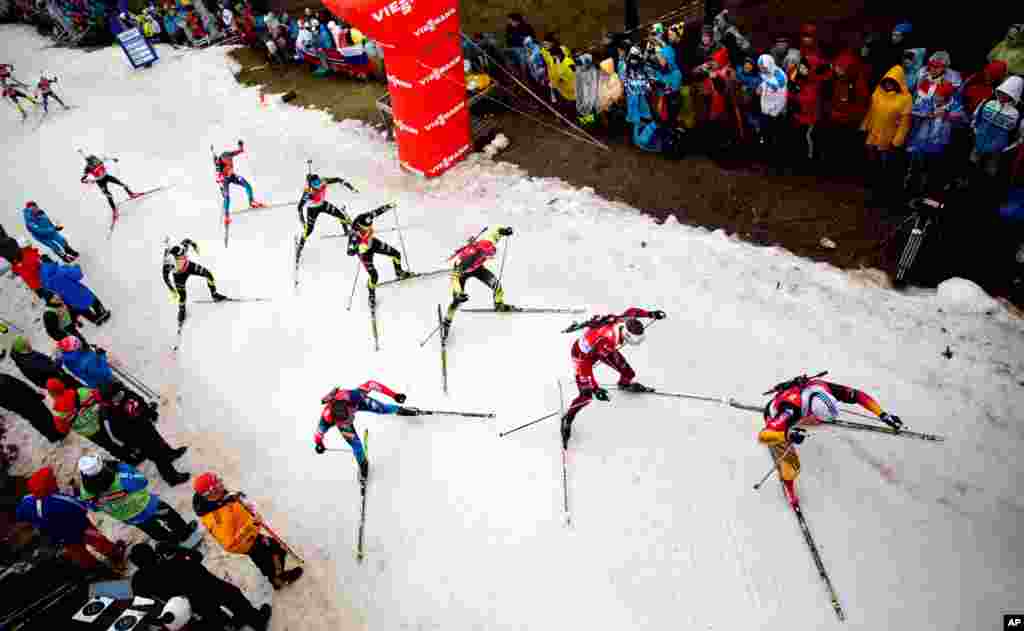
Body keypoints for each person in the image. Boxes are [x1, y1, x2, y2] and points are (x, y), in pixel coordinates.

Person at [758, 375, 902, 507]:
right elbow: (763, 436)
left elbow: (858, 396)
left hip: (801, 407)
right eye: (818, 418)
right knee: (792, 466)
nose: (819, 422)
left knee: (812, 421)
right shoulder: (790, 411)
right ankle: (788, 486)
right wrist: (788, 435)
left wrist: (883, 414)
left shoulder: (823, 387)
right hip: (778, 421)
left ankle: (806, 421)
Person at [560, 308, 666, 448]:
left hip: (600, 348)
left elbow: (632, 311)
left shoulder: (623, 321)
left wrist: (650, 314)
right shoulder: (606, 342)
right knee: (587, 396)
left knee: (628, 372)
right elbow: (587, 370)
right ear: (628, 336)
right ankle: (568, 417)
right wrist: (596, 389)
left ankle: (624, 383)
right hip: (582, 357)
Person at [192, 472, 304, 590]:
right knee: (274, 552)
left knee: (269, 553)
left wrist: (242, 502)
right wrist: (251, 524)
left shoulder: (217, 497)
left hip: (251, 534)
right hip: (247, 542)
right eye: (217, 483)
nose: (221, 482)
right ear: (211, 491)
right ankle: (278, 579)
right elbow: (229, 544)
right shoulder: (217, 519)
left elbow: (230, 504)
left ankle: (272, 571)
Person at [130, 541, 272, 630]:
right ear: (154, 554)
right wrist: (175, 548)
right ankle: (257, 621)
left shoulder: (139, 580)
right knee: (235, 599)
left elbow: (141, 605)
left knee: (213, 616)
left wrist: (164, 614)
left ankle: (230, 623)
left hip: (191, 603)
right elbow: (197, 556)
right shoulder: (174, 560)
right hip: (210, 586)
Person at [16, 466, 127, 570]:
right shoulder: (58, 501)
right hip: (80, 528)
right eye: (52, 478)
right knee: (98, 540)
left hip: (60, 537)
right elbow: (81, 507)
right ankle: (115, 556)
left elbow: (20, 515)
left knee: (80, 555)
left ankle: (96, 569)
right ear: (48, 484)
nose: (55, 479)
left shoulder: (26, 500)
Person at [76, 454, 197, 543]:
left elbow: (94, 508)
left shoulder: (85, 492)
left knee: (154, 531)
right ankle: (184, 533)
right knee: (169, 515)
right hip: (147, 506)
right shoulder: (121, 478)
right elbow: (142, 481)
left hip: (130, 516)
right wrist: (121, 466)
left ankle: (171, 542)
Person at [313, 381, 416, 480]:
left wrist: (394, 395)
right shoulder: (327, 417)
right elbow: (318, 434)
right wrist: (319, 444)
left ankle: (400, 410)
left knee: (382, 408)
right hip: (345, 415)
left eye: (349, 418)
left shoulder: (353, 396)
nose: (350, 420)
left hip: (357, 403)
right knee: (356, 446)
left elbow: (371, 384)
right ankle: (363, 464)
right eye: (346, 421)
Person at [442, 226, 515, 338]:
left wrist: (503, 231)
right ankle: (447, 321)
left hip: (478, 268)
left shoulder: (486, 243)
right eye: (487, 255)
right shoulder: (465, 259)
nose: (489, 256)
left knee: (496, 285)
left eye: (490, 254)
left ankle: (499, 304)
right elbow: (454, 277)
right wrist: (458, 293)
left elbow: (495, 234)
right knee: (456, 301)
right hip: (462, 273)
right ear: (481, 252)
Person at [861, 65, 912, 208]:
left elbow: (905, 123)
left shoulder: (905, 98)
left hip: (889, 140)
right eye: (887, 81)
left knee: (887, 171)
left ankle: (887, 198)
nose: (889, 84)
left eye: (892, 82)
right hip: (873, 137)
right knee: (874, 169)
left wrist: (897, 142)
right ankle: (874, 196)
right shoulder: (877, 93)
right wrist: (864, 128)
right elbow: (871, 113)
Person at [906, 81, 962, 195]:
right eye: (936, 94)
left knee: (931, 170)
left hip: (938, 144)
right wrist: (928, 114)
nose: (936, 97)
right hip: (921, 141)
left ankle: (925, 193)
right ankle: (911, 191)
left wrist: (947, 115)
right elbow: (914, 110)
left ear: (947, 97)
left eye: (939, 96)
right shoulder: (928, 100)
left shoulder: (954, 105)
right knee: (916, 167)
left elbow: (962, 119)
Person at [346, 202, 412, 296]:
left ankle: (399, 272)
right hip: (364, 253)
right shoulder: (353, 235)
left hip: (372, 243)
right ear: (359, 226)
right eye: (365, 229)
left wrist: (388, 206)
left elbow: (377, 211)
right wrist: (357, 248)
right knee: (374, 276)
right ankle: (371, 294)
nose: (367, 229)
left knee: (396, 254)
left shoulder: (367, 217)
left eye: (369, 227)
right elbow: (349, 252)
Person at [970, 76, 1022, 189]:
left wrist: (1006, 148)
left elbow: (1020, 135)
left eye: (1007, 93)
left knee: (989, 174)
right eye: (1001, 92)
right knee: (971, 167)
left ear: (1014, 95)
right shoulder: (988, 102)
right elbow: (975, 117)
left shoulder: (1017, 114)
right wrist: (976, 132)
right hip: (978, 144)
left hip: (997, 151)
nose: (1002, 95)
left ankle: (984, 193)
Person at [163, 238, 227, 326]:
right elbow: (165, 277)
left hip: (188, 266)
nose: (184, 256)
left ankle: (214, 294)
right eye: (181, 257)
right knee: (182, 296)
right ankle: (182, 310)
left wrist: (195, 246)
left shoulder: (182, 248)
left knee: (208, 274)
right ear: (175, 258)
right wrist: (172, 290)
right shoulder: (168, 263)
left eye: (184, 254)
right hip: (178, 276)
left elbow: (187, 241)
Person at [296, 173, 357, 259]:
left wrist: (351, 188)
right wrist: (303, 222)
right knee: (309, 230)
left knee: (341, 216)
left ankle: (346, 231)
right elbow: (299, 207)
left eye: (318, 182)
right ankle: (300, 247)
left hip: (323, 204)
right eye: (314, 184)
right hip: (312, 209)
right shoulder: (308, 192)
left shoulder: (323, 181)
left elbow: (338, 179)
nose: (317, 185)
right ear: (310, 184)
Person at [39, 258, 110, 325]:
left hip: (69, 299)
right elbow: (79, 275)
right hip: (80, 292)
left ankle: (95, 320)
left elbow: (51, 292)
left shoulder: (46, 283)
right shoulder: (61, 271)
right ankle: (103, 314)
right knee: (94, 301)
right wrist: (76, 267)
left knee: (81, 309)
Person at [0, 373, 65, 443]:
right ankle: (59, 432)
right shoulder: (3, 378)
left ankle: (52, 436)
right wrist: (35, 394)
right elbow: (22, 385)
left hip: (19, 407)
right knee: (44, 415)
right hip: (29, 399)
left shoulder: (3, 377)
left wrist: (13, 408)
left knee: (36, 421)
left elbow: (4, 404)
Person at [214, 140, 263, 224]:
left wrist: (241, 146)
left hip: (232, 176)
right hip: (225, 180)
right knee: (227, 197)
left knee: (247, 185)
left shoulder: (227, 154)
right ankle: (226, 216)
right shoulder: (219, 168)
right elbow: (218, 180)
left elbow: (239, 151)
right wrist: (222, 189)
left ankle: (251, 201)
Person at [9, 335, 79, 391]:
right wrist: (59, 357)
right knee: (75, 390)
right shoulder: (30, 362)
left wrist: (51, 357)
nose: (30, 343)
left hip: (51, 378)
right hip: (56, 381)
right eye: (28, 342)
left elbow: (43, 362)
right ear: (24, 346)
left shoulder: (23, 354)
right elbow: (52, 369)